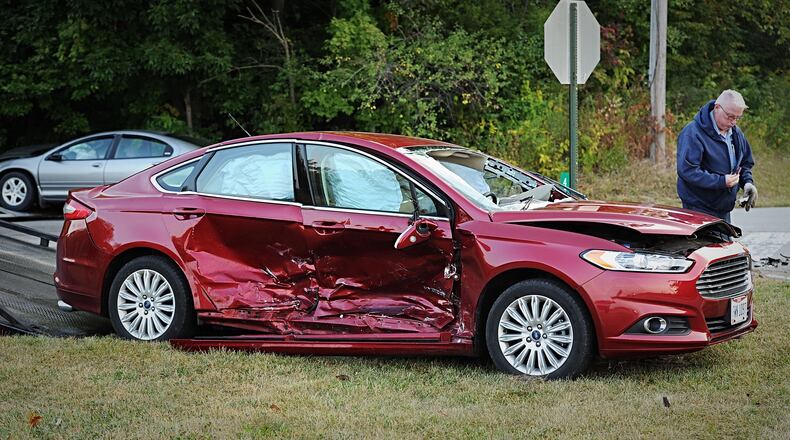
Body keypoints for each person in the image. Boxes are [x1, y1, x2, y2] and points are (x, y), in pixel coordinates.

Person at [677, 89, 757, 223]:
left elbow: (744, 163)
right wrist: (721, 181)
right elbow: (688, 171)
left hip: (723, 208)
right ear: (717, 108)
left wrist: (748, 183)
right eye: (730, 116)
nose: (734, 122)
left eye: (738, 118)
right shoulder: (693, 133)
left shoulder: (736, 133)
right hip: (698, 209)